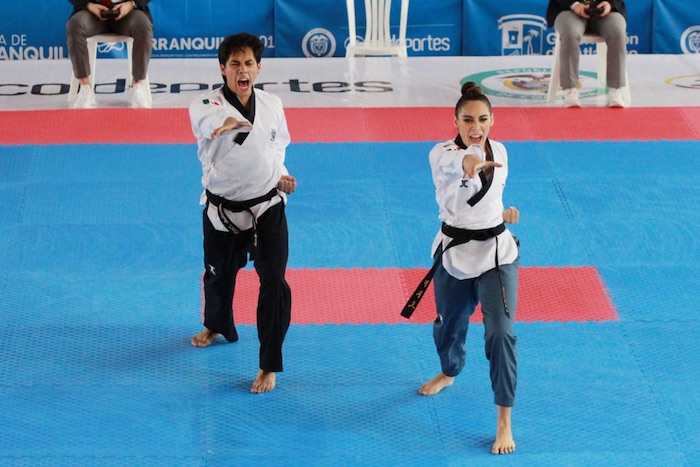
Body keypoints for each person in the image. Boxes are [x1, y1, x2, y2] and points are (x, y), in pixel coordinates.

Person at [188, 33, 296, 394]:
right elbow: (210, 119)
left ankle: (269, 364)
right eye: (234, 63)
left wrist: (281, 174)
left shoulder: (273, 104)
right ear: (223, 69)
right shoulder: (205, 103)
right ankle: (217, 324)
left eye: (249, 63)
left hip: (267, 205)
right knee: (217, 276)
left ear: (259, 67)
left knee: (275, 283)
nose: (242, 69)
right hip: (223, 210)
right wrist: (229, 123)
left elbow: (277, 145)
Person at [418, 82, 520, 455]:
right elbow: (463, 162)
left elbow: (490, 199)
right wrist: (471, 160)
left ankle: (504, 420)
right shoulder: (441, 153)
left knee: (501, 334)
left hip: (496, 253)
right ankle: (449, 370)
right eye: (467, 120)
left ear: (492, 119)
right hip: (454, 253)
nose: (476, 127)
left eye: (482, 119)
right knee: (449, 325)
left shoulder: (502, 151)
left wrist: (504, 213)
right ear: (455, 121)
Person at [66, 0, 153, 109]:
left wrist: (131, 4)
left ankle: (137, 86)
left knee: (143, 25)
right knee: (75, 25)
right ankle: (85, 88)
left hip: (128, 11)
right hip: (91, 12)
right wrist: (88, 5)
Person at [546, 0, 628, 108]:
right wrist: (574, 5)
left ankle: (615, 90)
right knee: (570, 33)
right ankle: (570, 90)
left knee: (617, 32)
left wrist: (610, 4)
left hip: (606, 11)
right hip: (568, 10)